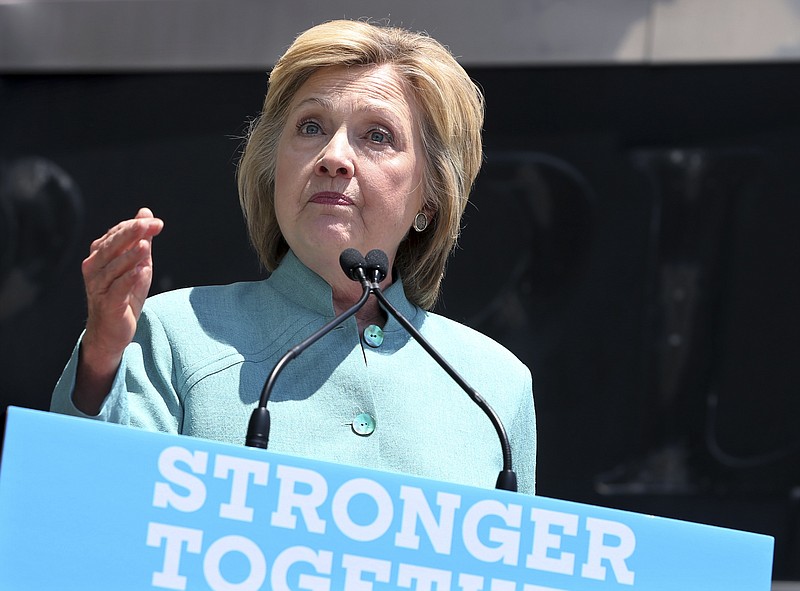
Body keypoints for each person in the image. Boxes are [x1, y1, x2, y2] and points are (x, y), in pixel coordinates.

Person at [50, 19, 537, 493]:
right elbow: (88, 524)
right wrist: (100, 362)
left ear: (430, 198)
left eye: (378, 136)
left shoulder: (495, 387)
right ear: (273, 169)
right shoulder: (176, 334)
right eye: (310, 127)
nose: (334, 156)